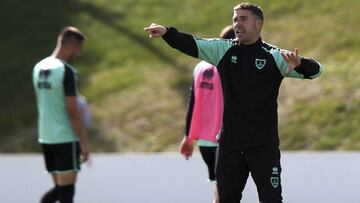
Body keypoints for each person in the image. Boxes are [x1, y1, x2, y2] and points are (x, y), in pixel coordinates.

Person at [144, 2, 322, 202]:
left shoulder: (274, 56)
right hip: (230, 146)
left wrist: (301, 65)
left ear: (258, 23)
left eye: (243, 19)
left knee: (271, 199)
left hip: (263, 147)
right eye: (235, 19)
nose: (237, 24)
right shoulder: (223, 50)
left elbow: (317, 71)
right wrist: (167, 32)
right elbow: (193, 43)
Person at [33, 26, 90, 203]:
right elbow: (72, 111)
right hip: (65, 137)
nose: (78, 55)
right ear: (72, 46)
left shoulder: (39, 67)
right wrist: (83, 142)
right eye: (78, 50)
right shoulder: (66, 71)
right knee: (66, 193)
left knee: (59, 189)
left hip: (46, 137)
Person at [179, 25, 234, 203]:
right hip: (224, 138)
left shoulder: (199, 67)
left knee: (219, 188)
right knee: (223, 192)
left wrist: (188, 137)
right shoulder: (230, 66)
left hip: (204, 140)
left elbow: (192, 101)